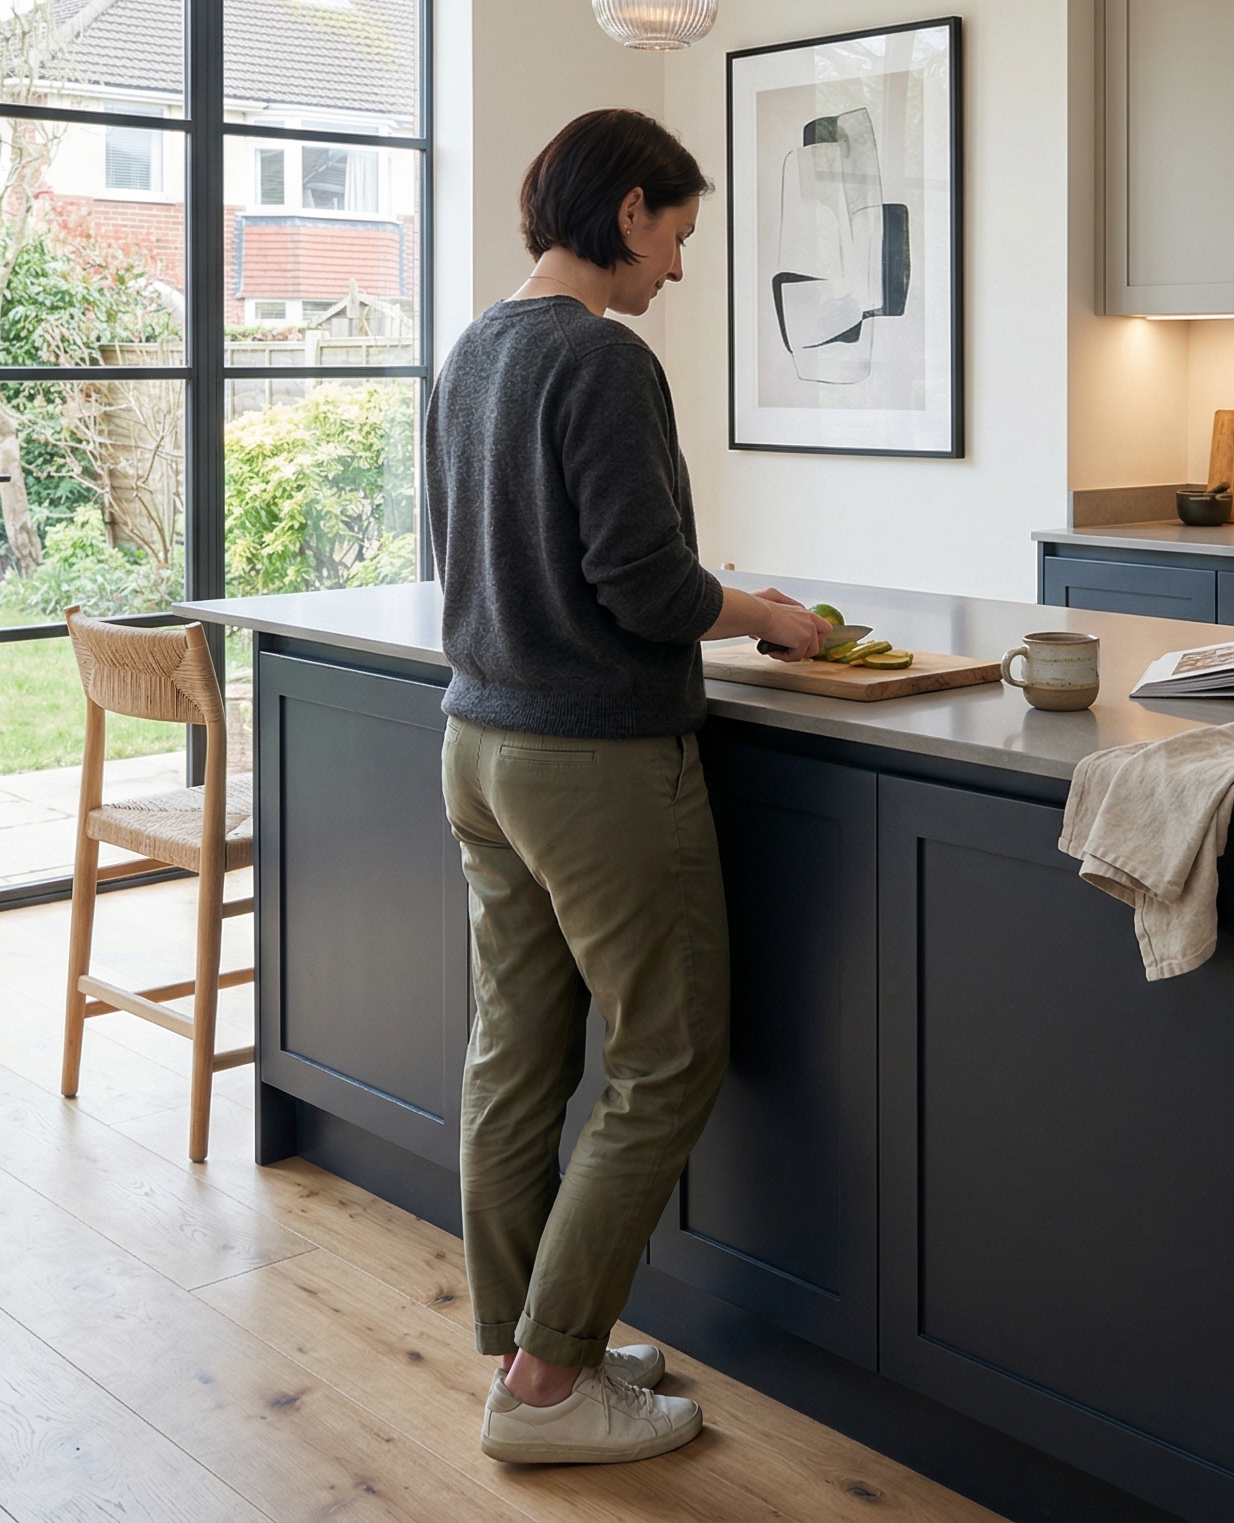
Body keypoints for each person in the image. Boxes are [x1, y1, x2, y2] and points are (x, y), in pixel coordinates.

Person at [423, 108, 831, 1467]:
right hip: (591, 760)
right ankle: (550, 1385)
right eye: (678, 239)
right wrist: (764, 614)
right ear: (633, 208)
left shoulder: (472, 348)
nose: (674, 272)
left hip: (478, 744)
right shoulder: (600, 360)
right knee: (665, 1062)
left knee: (516, 1053)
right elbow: (643, 585)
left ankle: (538, 1341)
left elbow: (466, 552)